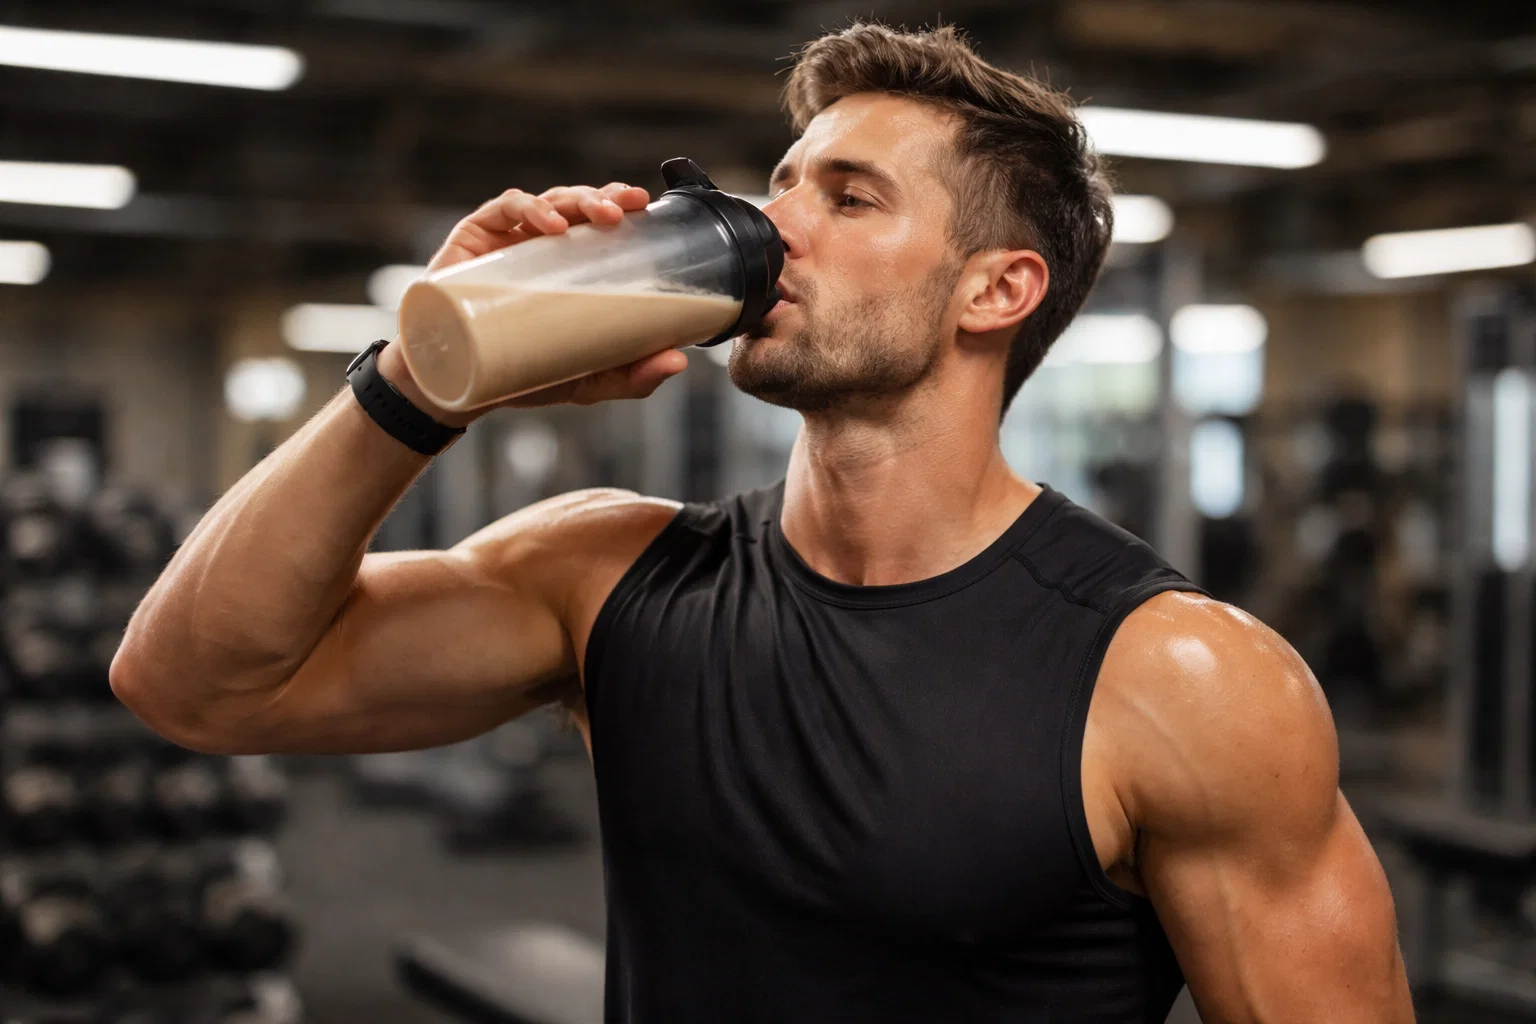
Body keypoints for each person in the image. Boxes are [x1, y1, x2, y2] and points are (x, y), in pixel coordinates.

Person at [112, 22, 1413, 1024]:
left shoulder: (1181, 680)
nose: (774, 227)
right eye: (780, 183)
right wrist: (416, 383)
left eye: (849, 198)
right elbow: (195, 685)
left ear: (996, 290)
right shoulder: (604, 572)